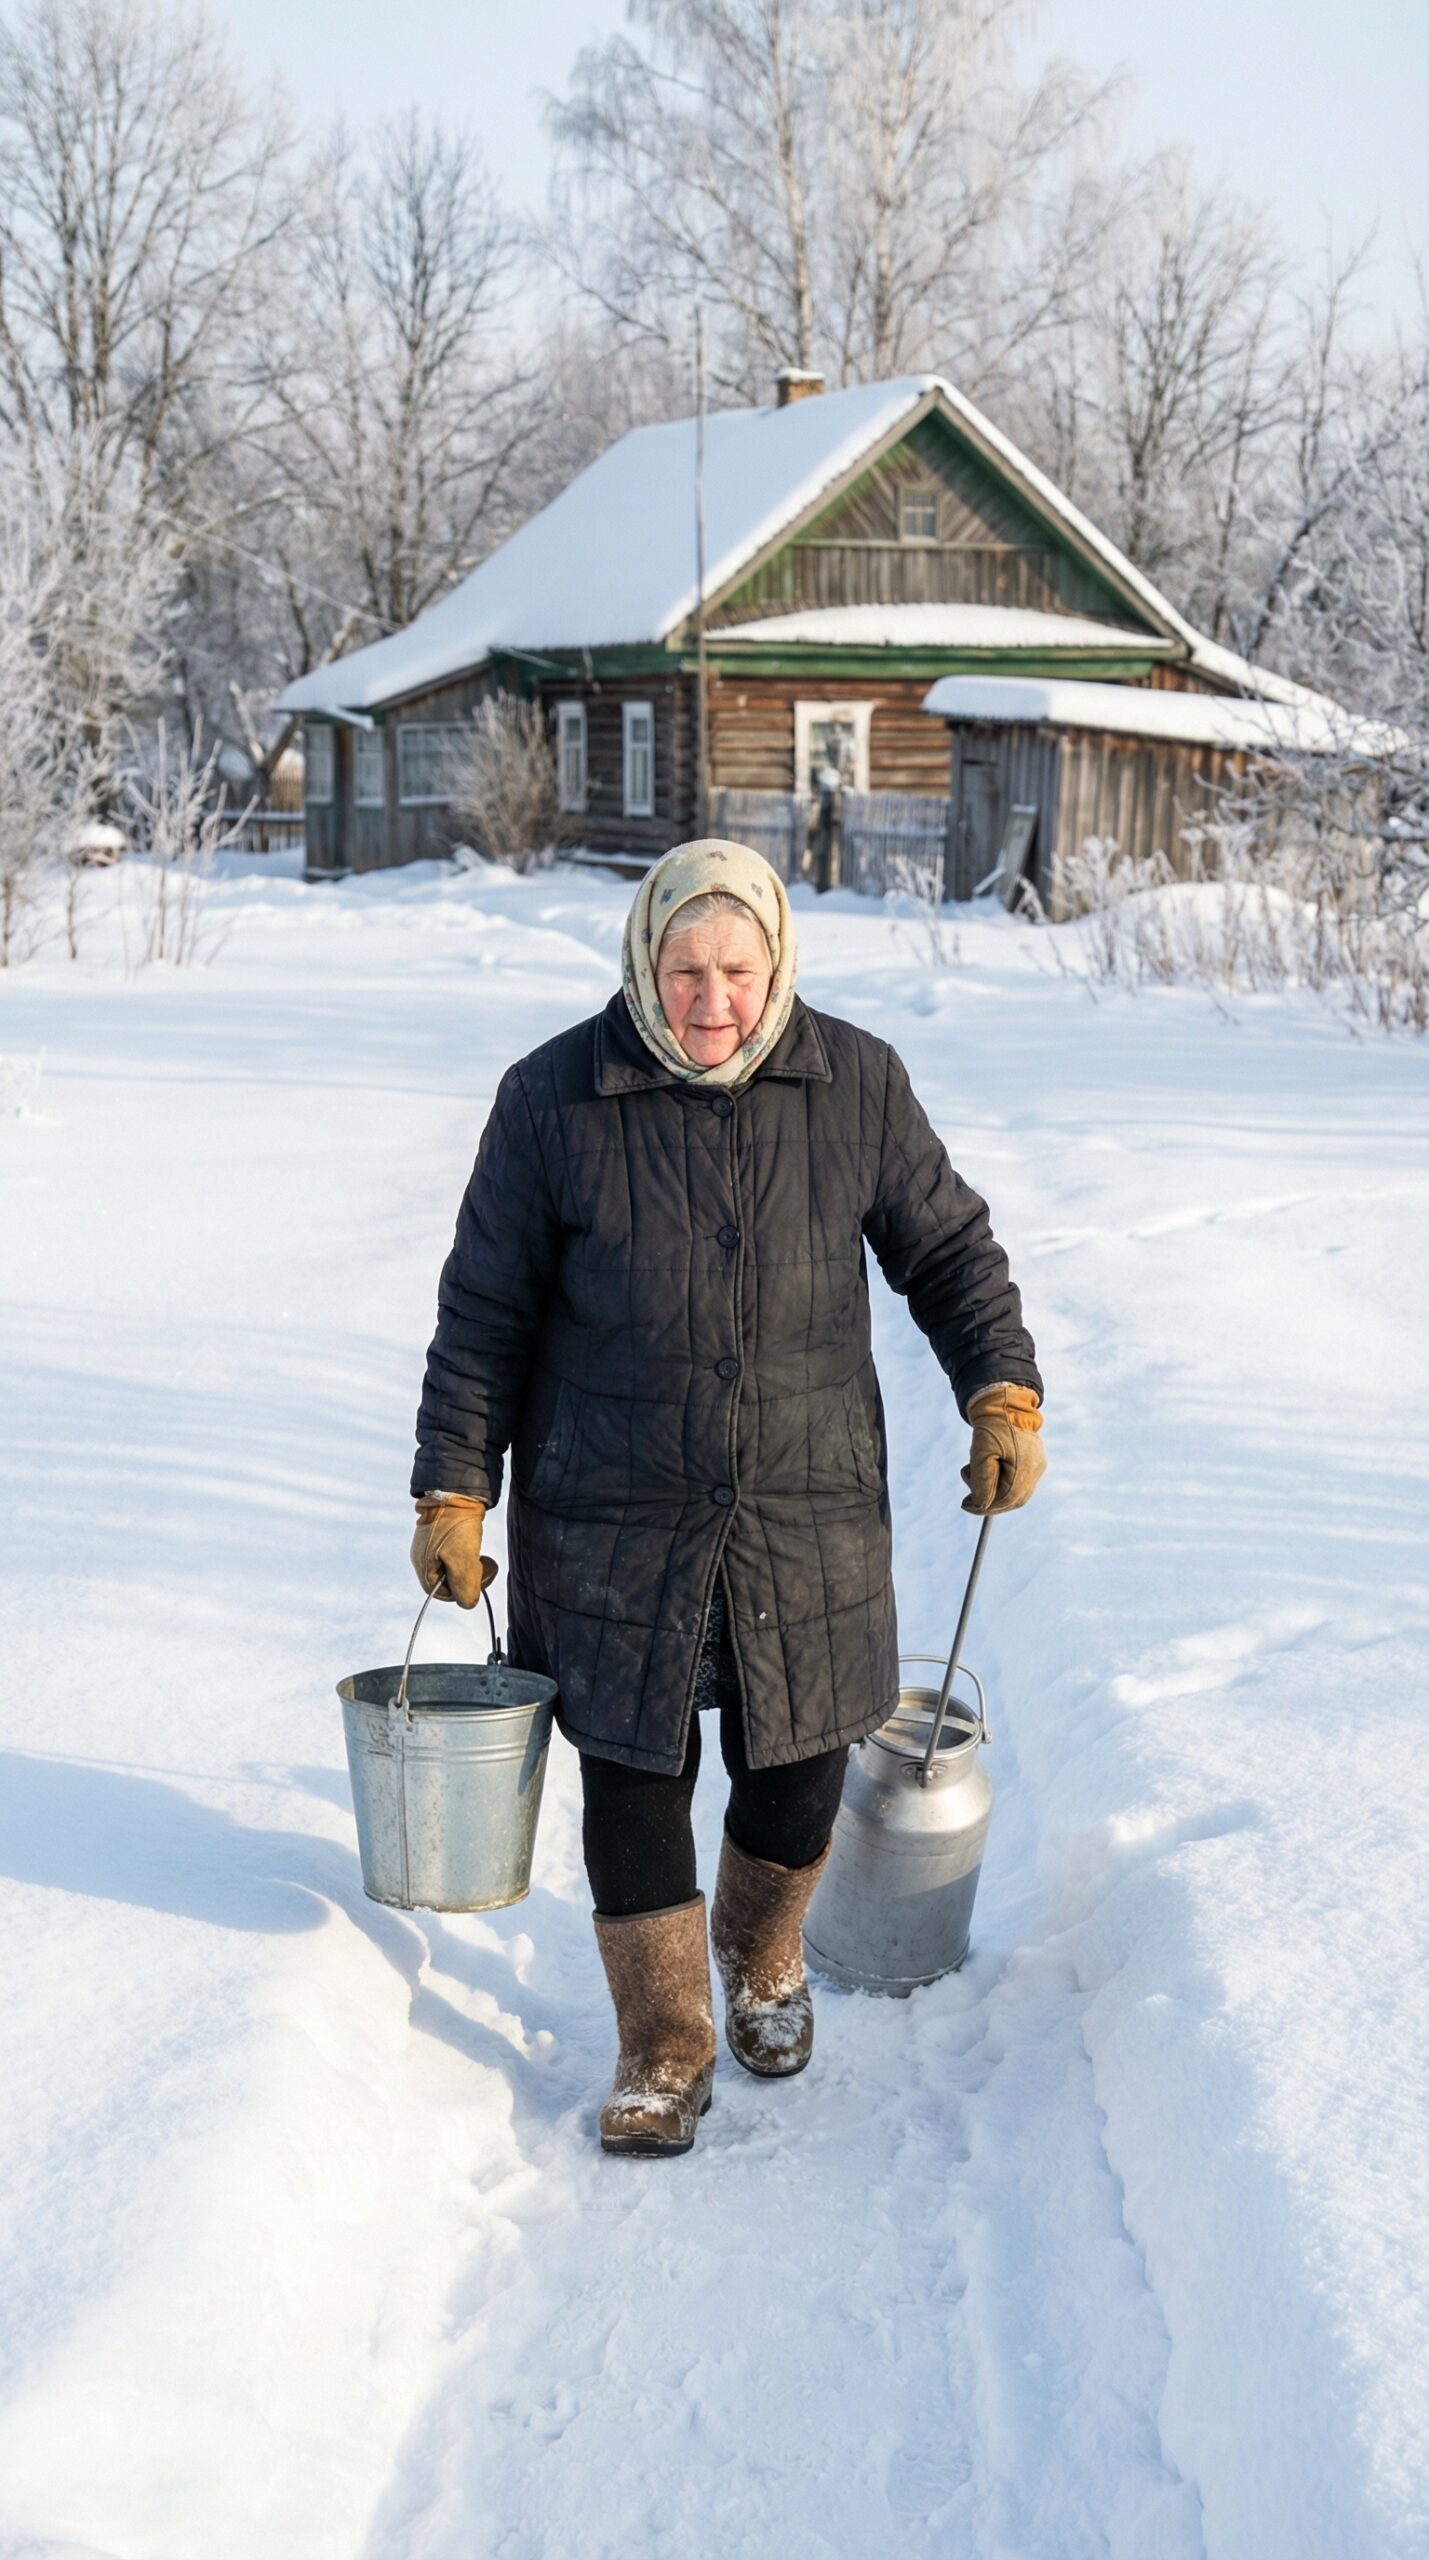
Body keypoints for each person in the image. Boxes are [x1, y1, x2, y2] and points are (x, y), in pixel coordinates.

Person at [409, 839, 1044, 2159]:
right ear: (644, 963)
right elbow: (483, 1315)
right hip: (606, 1499)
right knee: (633, 1767)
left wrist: (1002, 1391)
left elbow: (948, 1248)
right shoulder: (551, 1099)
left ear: (776, 965)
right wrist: (455, 1487)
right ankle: (662, 2040)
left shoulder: (852, 1080)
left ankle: (762, 1957)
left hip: (803, 1493)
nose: (712, 1001)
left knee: (801, 1752)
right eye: (685, 971)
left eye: (737, 971)